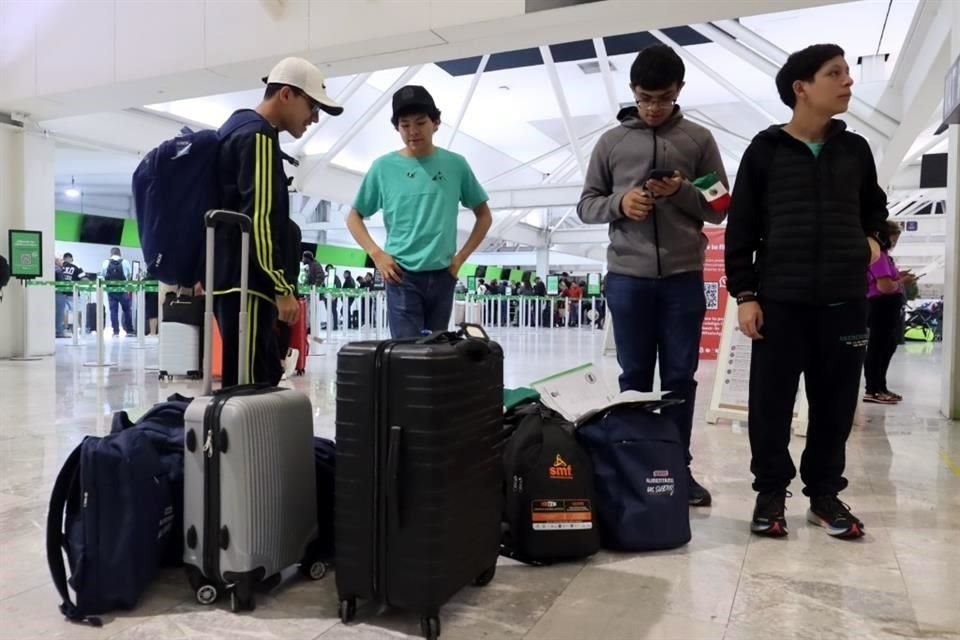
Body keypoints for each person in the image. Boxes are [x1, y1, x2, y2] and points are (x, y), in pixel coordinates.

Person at [725, 44, 889, 540]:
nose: (848, 81)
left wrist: (872, 243)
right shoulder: (765, 150)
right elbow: (742, 228)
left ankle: (823, 495)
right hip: (781, 301)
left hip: (844, 300)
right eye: (834, 73)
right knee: (770, 404)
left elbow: (875, 209)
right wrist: (745, 294)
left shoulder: (854, 149)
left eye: (846, 72)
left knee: (836, 403)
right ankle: (770, 494)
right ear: (801, 87)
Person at [577, 44, 729, 507]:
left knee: (681, 378)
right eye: (645, 98)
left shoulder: (698, 141)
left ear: (679, 90)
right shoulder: (611, 143)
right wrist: (620, 204)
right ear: (632, 92)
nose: (653, 107)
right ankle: (635, 466)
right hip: (628, 277)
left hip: (684, 276)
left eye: (662, 97)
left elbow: (719, 208)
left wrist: (682, 190)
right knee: (635, 378)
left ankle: (678, 469)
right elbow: (586, 205)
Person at [214, 57, 343, 386]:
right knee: (253, 384)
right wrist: (282, 287)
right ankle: (247, 440)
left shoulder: (234, 127)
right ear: (286, 94)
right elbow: (259, 218)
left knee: (244, 376)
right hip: (251, 284)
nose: (313, 118)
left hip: (232, 278)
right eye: (312, 106)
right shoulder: (257, 136)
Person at [346, 85, 492, 338]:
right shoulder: (383, 167)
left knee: (436, 353)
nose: (413, 131)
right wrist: (376, 254)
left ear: (436, 123)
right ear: (397, 128)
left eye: (421, 123)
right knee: (407, 355)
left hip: (443, 274)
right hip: (401, 275)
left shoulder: (456, 165)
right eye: (404, 125)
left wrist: (460, 258)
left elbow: (484, 215)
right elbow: (353, 216)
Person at [864, 222, 913, 404]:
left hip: (885, 307)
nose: (895, 242)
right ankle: (873, 389)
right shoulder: (879, 257)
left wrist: (899, 277)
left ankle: (880, 386)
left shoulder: (884, 256)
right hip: (881, 306)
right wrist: (901, 282)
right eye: (894, 237)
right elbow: (884, 286)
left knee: (887, 345)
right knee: (878, 347)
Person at [100, 247, 135, 337]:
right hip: (123, 290)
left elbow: (102, 275)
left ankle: (115, 332)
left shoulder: (106, 262)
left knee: (113, 311)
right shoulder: (125, 262)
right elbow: (129, 275)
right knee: (127, 310)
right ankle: (129, 331)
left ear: (111, 254)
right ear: (120, 253)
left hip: (111, 290)